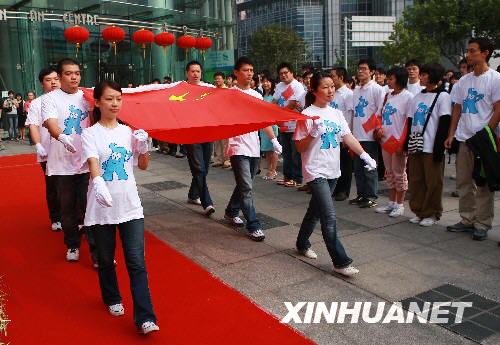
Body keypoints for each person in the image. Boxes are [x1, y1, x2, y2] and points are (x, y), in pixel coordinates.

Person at [81, 80, 159, 334]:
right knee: (106, 260)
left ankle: (145, 317)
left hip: (130, 206)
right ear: (98, 102)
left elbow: (143, 165)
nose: (115, 104)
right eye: (109, 99)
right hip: (102, 206)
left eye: (118, 99)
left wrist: (144, 146)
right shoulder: (90, 134)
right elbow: (93, 163)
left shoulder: (128, 132)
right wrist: (98, 183)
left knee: (136, 262)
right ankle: (112, 297)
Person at [293, 71, 377, 277]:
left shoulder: (336, 113)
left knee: (315, 211)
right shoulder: (307, 115)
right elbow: (299, 147)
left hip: (333, 170)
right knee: (328, 217)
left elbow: (347, 137)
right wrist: (313, 133)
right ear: (314, 90)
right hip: (315, 170)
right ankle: (341, 261)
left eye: (332, 86)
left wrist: (365, 155)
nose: (330, 90)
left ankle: (302, 243)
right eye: (325, 87)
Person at [445, 37, 500, 240]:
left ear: (485, 53)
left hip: (484, 141)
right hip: (464, 139)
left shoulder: (495, 79)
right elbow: (457, 109)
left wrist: (486, 134)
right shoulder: (463, 82)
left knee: (483, 183)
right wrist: (451, 134)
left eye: (472, 51)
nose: (468, 55)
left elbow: (498, 109)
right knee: (464, 182)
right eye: (468, 51)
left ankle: (482, 223)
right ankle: (467, 219)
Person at [42, 58, 95, 262]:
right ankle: (72, 244)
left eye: (77, 73)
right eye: (68, 73)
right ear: (60, 76)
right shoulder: (51, 99)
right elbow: (50, 122)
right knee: (67, 209)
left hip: (85, 161)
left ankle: (95, 249)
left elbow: (96, 118)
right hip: (61, 164)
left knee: (88, 206)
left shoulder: (86, 96)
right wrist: (61, 136)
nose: (74, 76)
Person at [224, 57, 283, 241]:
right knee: (247, 188)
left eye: (251, 70)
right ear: (236, 72)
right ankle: (253, 225)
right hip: (237, 146)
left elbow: (262, 120)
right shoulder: (229, 95)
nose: (249, 73)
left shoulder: (257, 95)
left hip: (253, 147)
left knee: (245, 185)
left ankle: (231, 211)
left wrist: (273, 140)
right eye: (245, 70)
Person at [406, 63, 451, 227]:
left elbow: (444, 122)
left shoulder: (443, 96)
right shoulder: (417, 96)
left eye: (425, 74)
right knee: (416, 180)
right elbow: (410, 121)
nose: (422, 77)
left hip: (432, 146)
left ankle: (432, 212)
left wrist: (439, 148)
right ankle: (419, 210)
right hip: (416, 145)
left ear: (433, 76)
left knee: (433, 181)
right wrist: (407, 144)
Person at [374, 67, 413, 217]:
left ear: (399, 79)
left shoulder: (408, 97)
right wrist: (378, 128)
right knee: (389, 172)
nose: (388, 81)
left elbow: (408, 122)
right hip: (386, 141)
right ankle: (391, 202)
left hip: (398, 142)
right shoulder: (387, 96)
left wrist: (403, 143)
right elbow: (378, 116)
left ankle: (400, 204)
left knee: (399, 173)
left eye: (391, 79)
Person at [26, 68, 62, 232]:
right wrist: (38, 144)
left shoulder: (69, 98)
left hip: (69, 151)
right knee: (53, 186)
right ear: (42, 83)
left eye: (56, 78)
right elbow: (33, 125)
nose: (53, 82)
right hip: (48, 152)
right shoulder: (37, 103)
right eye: (49, 79)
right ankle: (55, 217)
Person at [349, 58, 385, 208]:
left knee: (369, 167)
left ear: (372, 72)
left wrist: (375, 129)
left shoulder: (377, 89)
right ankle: (361, 194)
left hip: (369, 135)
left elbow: (380, 110)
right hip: (356, 134)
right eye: (359, 69)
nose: (361, 71)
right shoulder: (356, 90)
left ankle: (371, 196)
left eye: (364, 69)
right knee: (357, 168)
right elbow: (353, 112)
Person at [183, 61, 216, 216]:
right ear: (187, 73)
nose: (195, 74)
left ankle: (193, 194)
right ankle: (207, 202)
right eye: (192, 71)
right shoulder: (181, 89)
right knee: (199, 167)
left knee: (205, 167)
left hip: (207, 132)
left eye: (198, 71)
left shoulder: (208, 89)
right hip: (191, 133)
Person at [273, 62, 306, 188]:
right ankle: (287, 176)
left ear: (291, 72)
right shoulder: (279, 86)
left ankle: (297, 178)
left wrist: (280, 116)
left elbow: (292, 104)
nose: (283, 75)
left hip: (294, 125)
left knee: (295, 153)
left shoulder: (297, 86)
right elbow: (274, 101)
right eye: (281, 73)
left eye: (286, 72)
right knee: (286, 153)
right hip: (283, 125)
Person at [330, 67, 354, 201]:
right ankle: (336, 188)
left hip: (342, 133)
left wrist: (347, 136)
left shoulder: (348, 94)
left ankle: (344, 191)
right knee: (334, 163)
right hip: (332, 134)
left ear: (341, 77)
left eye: (333, 76)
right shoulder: (333, 93)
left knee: (345, 164)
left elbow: (349, 115)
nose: (331, 78)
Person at [259, 74, 279, 180]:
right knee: (266, 150)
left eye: (268, 81)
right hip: (263, 127)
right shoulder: (262, 96)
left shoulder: (274, 96)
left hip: (272, 126)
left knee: (273, 149)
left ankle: (273, 170)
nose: (265, 83)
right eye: (264, 81)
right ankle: (269, 170)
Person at [212, 72, 230, 168]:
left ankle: (227, 160)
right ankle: (218, 159)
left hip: (225, 118)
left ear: (224, 79)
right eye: (216, 79)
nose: (217, 80)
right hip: (215, 118)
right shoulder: (213, 90)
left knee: (225, 140)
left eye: (219, 78)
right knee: (217, 140)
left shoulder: (227, 90)